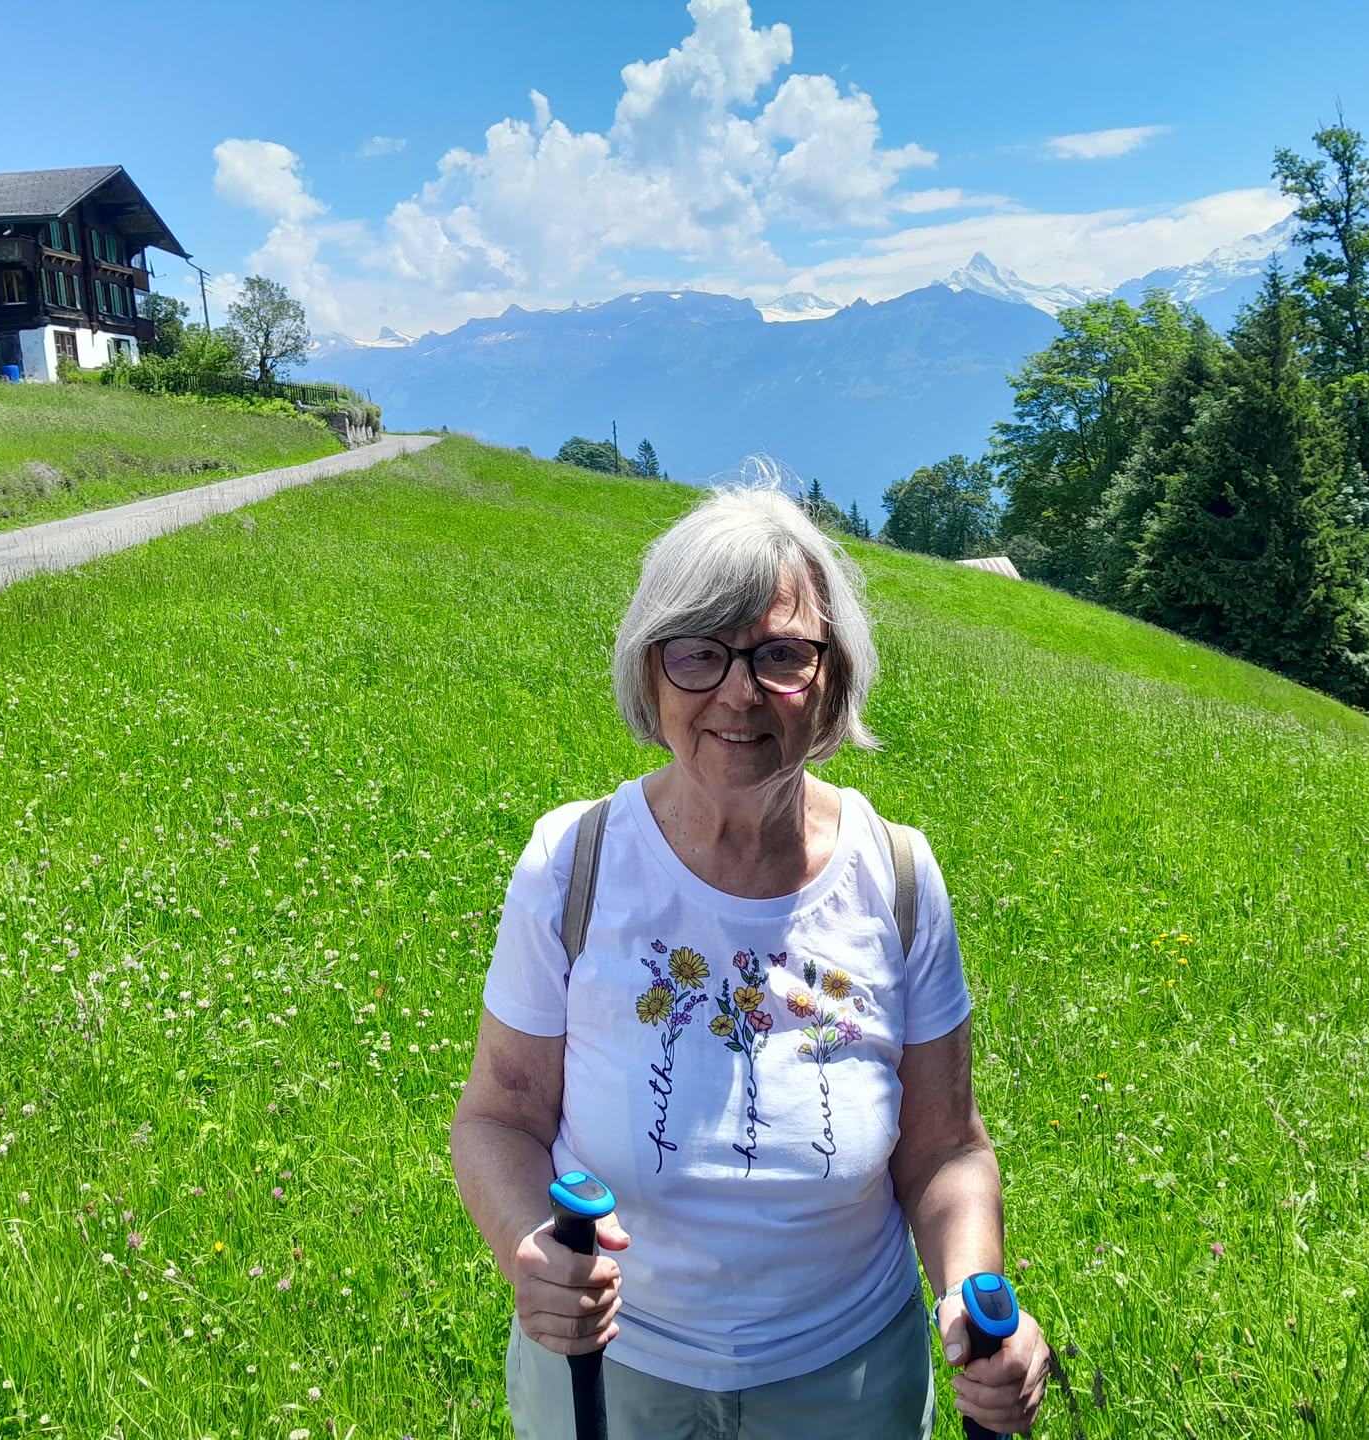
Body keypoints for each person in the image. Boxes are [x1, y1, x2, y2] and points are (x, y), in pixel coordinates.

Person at [450, 487, 1050, 1437]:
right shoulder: (574, 863)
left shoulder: (896, 876)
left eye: (780, 655)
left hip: (845, 1378)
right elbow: (499, 1117)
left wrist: (974, 1294)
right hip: (608, 1367)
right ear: (649, 673)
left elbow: (946, 1151)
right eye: (697, 651)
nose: (738, 692)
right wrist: (531, 1249)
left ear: (831, 680)